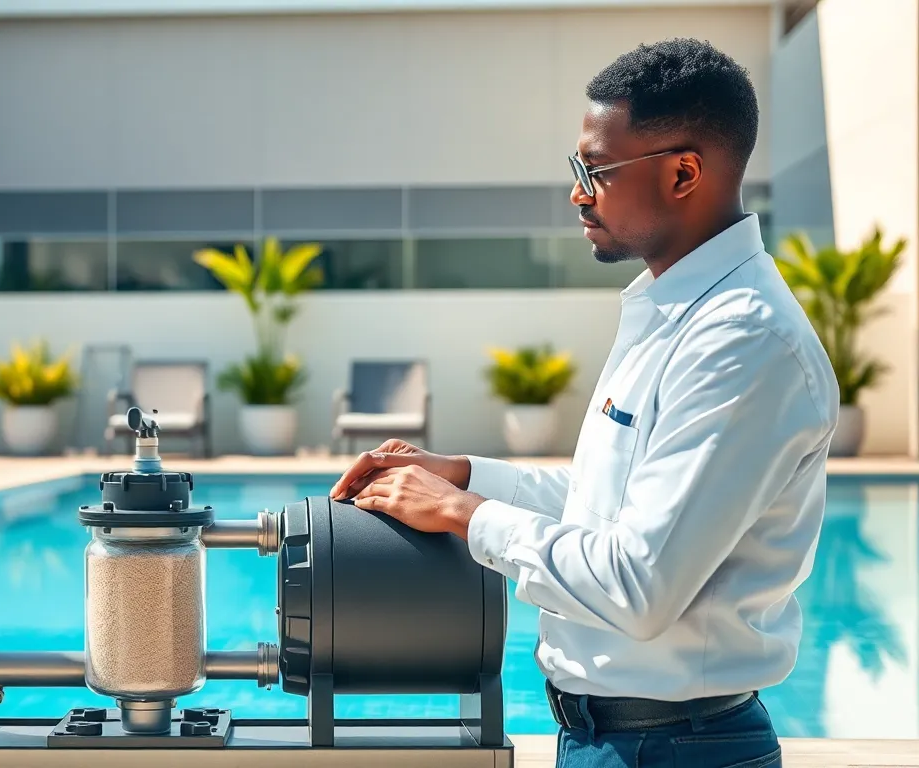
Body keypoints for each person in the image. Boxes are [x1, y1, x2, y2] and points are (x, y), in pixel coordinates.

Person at [330, 38, 838, 768]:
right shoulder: (674, 313)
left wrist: (462, 516)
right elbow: (609, 507)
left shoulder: (743, 342)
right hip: (617, 741)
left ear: (684, 173)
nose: (577, 192)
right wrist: (465, 476)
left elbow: (637, 582)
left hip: (677, 750)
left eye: (595, 171)